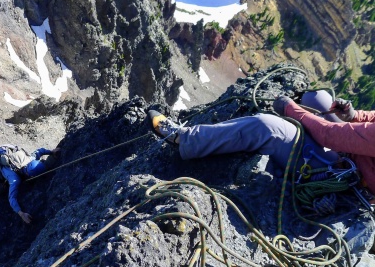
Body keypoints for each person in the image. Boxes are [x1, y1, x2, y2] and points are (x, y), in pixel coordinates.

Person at [148, 90, 375, 197]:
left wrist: (289, 108)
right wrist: (354, 116)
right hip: (353, 153)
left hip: (345, 177)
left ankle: (184, 139)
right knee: (319, 98)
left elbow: (329, 135)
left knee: (266, 126)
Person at [0, 145, 60, 223]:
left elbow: (40, 151)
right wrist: (21, 213)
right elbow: (12, 198)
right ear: (28, 174)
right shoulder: (15, 179)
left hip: (7, 156)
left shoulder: (30, 159)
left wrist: (51, 152)